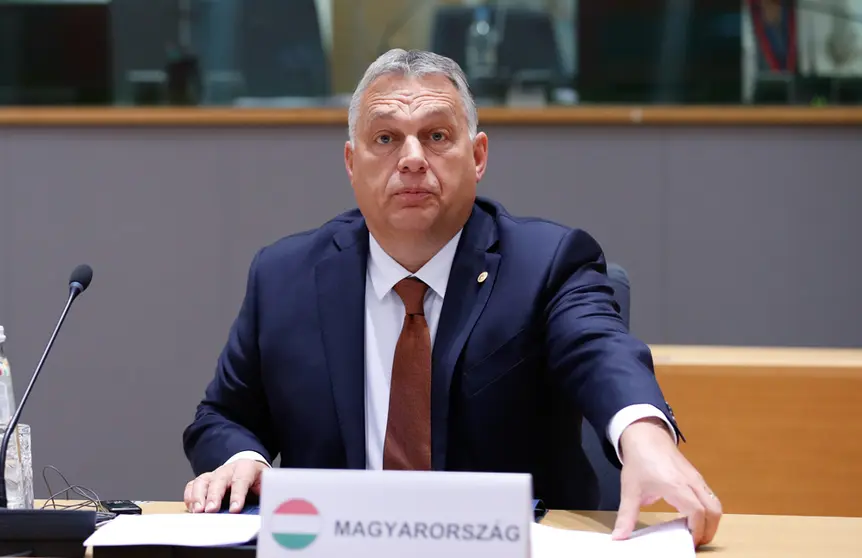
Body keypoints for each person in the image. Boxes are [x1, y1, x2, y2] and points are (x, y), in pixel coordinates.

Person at [182, 49, 722, 546]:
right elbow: (221, 417)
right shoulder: (285, 276)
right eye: (386, 138)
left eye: (437, 136)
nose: (413, 158)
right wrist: (243, 457)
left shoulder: (547, 263)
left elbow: (598, 348)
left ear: (478, 155)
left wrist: (644, 434)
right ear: (352, 162)